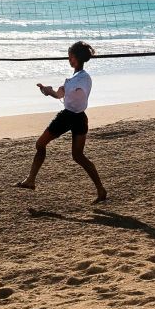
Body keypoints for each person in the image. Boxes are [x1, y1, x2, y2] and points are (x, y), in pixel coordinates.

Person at [16, 40, 108, 204]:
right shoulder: (71, 79)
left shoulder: (83, 78)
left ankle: (101, 190)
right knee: (46, 147)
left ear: (74, 58)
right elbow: (59, 94)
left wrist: (70, 90)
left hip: (72, 117)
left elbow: (81, 92)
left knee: (69, 153)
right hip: (76, 117)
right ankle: (30, 180)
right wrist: (47, 90)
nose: (68, 59)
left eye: (70, 56)